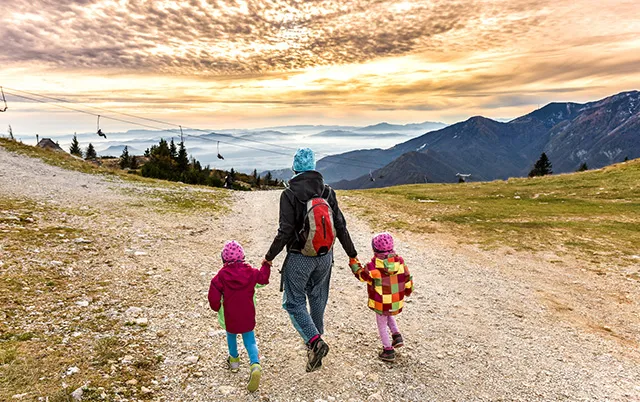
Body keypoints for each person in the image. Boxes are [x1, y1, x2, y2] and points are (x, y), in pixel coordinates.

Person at [264, 147, 360, 372]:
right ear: (314, 167)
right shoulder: (327, 192)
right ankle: (316, 338)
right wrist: (353, 256)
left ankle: (315, 342)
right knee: (318, 298)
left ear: (295, 168)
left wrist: (269, 257)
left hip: (299, 258)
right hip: (325, 257)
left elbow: (285, 231)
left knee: (293, 302)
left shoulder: (289, 194)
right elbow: (341, 227)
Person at [208, 241, 271, 392]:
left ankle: (234, 362)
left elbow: (213, 298)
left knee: (231, 337)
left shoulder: (220, 277)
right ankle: (255, 364)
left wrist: (217, 308)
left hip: (230, 317)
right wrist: (266, 265)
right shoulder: (250, 273)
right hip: (247, 315)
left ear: (223, 259)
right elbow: (263, 279)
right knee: (250, 340)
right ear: (243, 257)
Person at [351, 232, 413, 362]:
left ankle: (388, 350)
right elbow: (407, 278)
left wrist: (354, 264)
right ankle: (396, 336)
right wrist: (407, 291)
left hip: (380, 302)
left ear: (374, 249)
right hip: (395, 301)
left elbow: (362, 276)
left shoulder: (372, 267)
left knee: (382, 324)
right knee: (388, 314)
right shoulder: (400, 262)